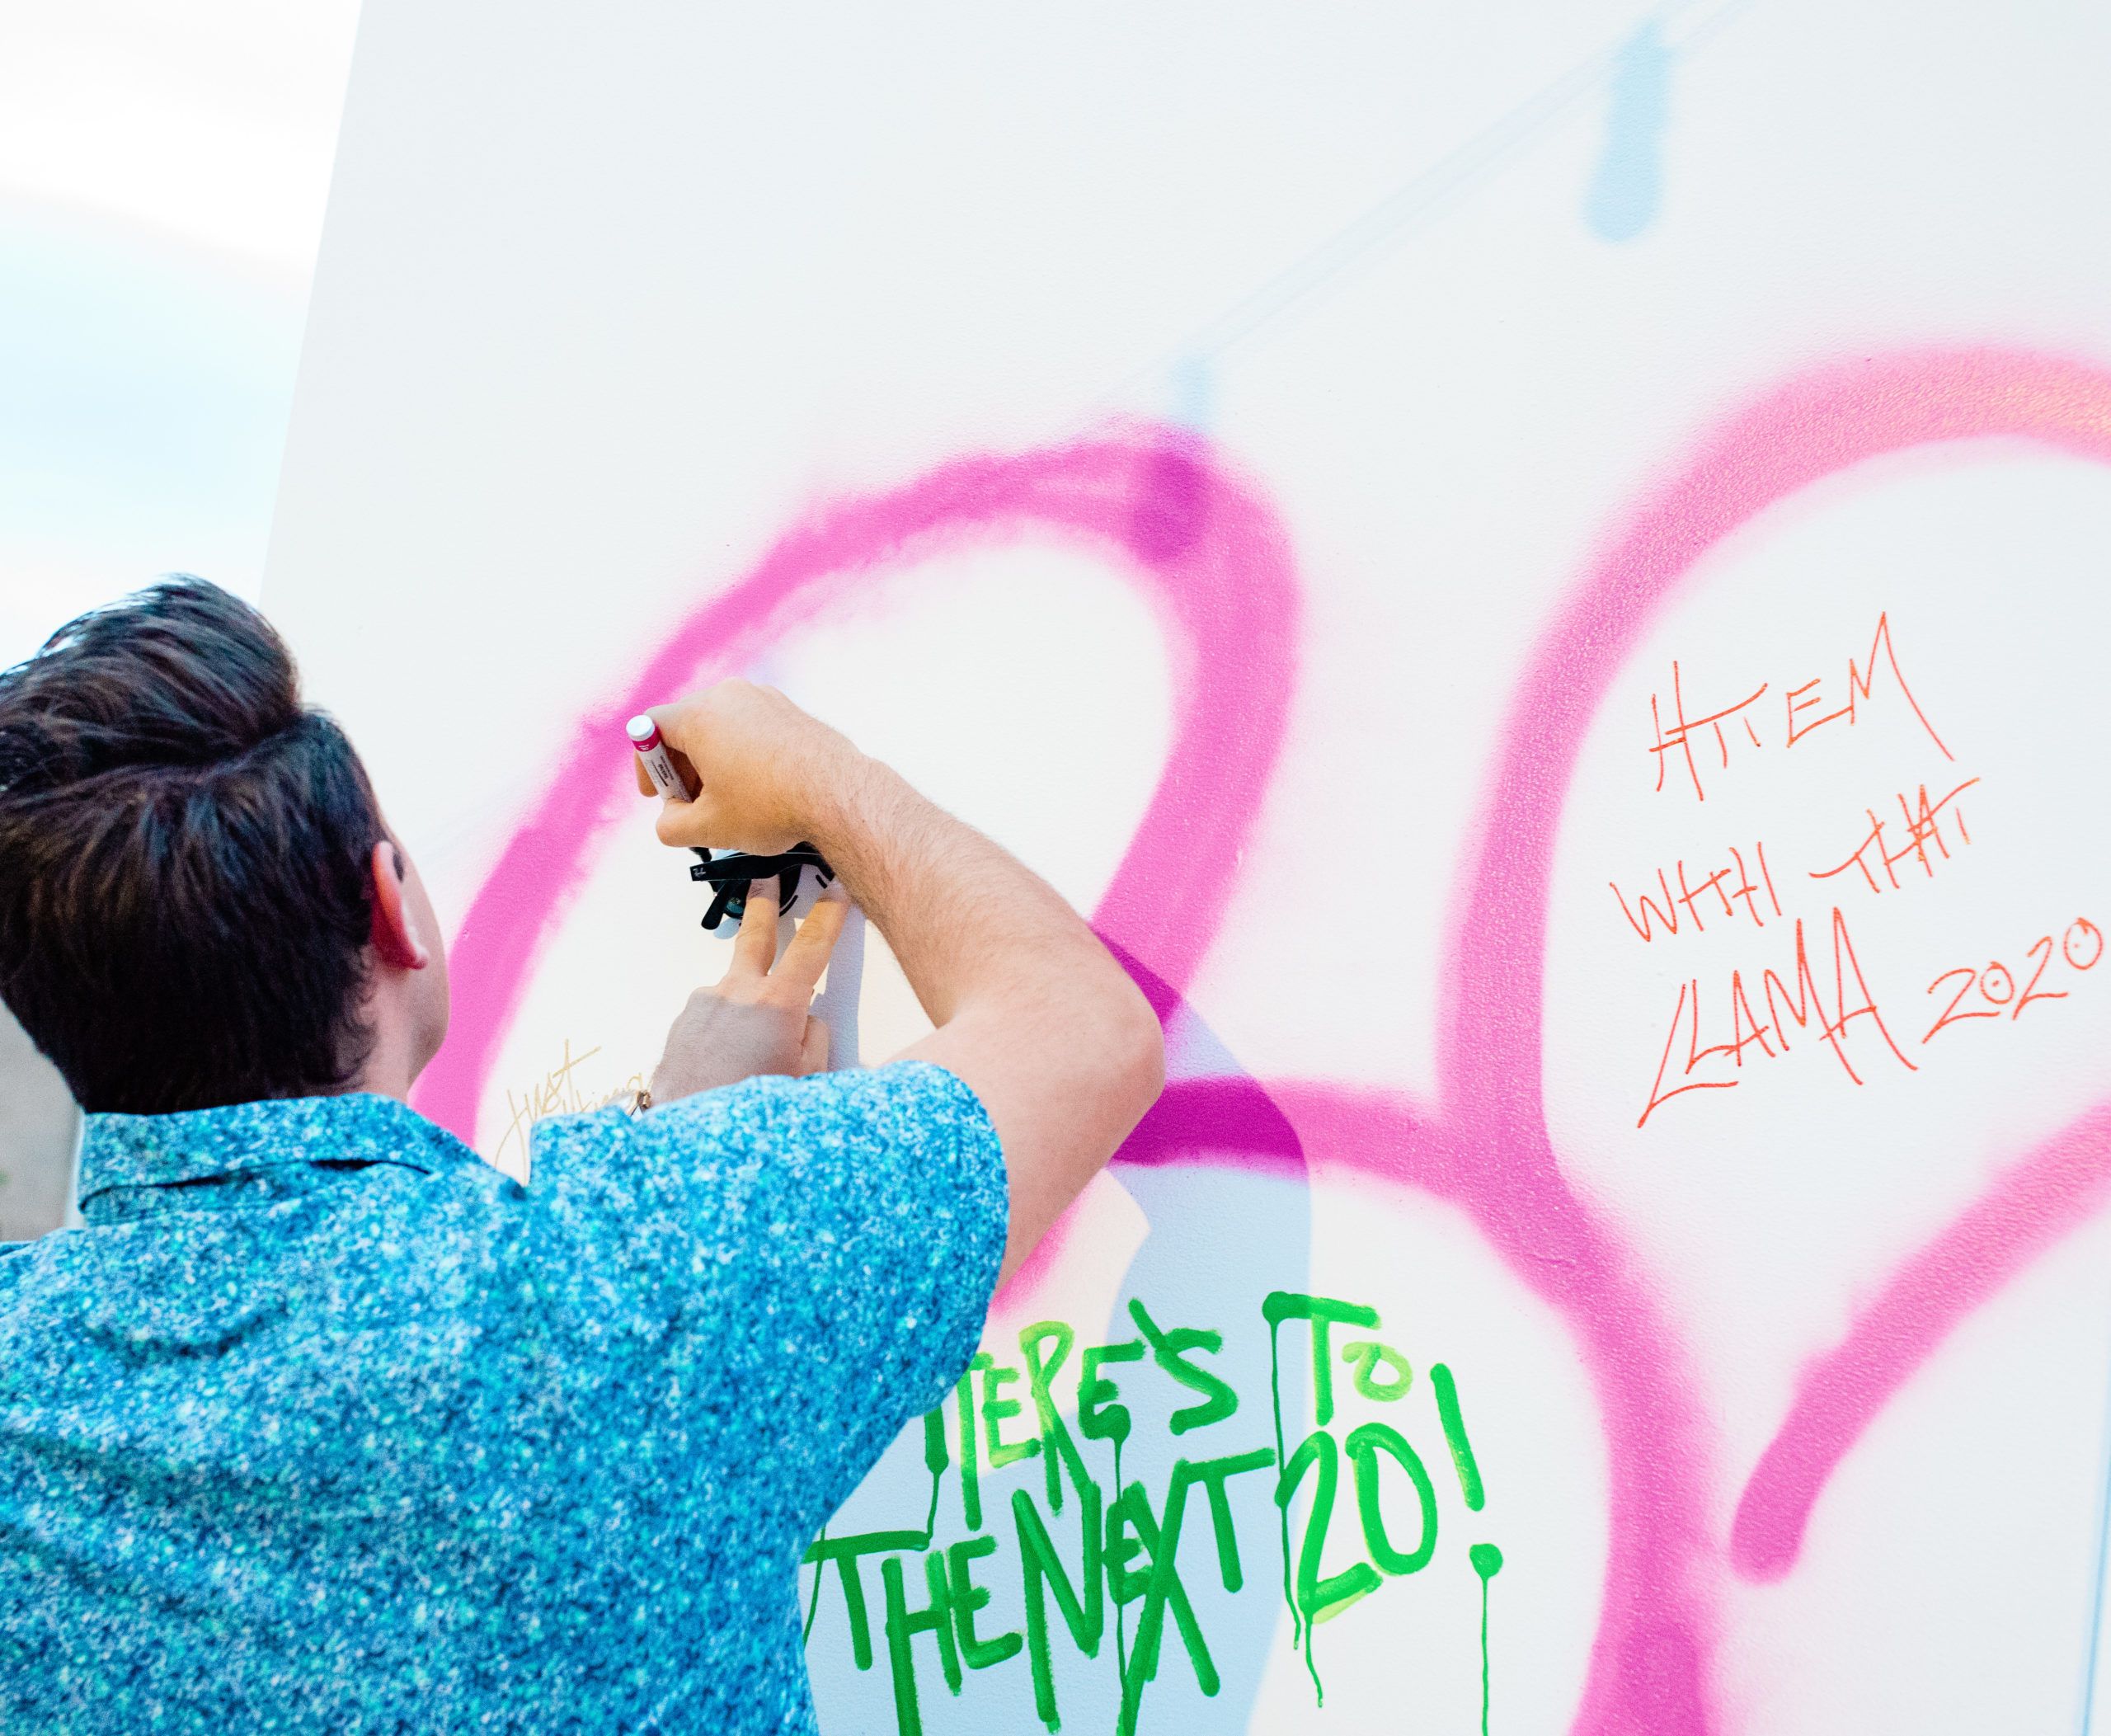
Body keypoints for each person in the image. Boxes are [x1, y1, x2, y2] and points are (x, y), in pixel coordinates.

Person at [0, 576, 1163, 1732]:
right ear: (391, 905)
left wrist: (688, 1148)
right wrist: (817, 771)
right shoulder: (622, 1294)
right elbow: (1084, 1033)